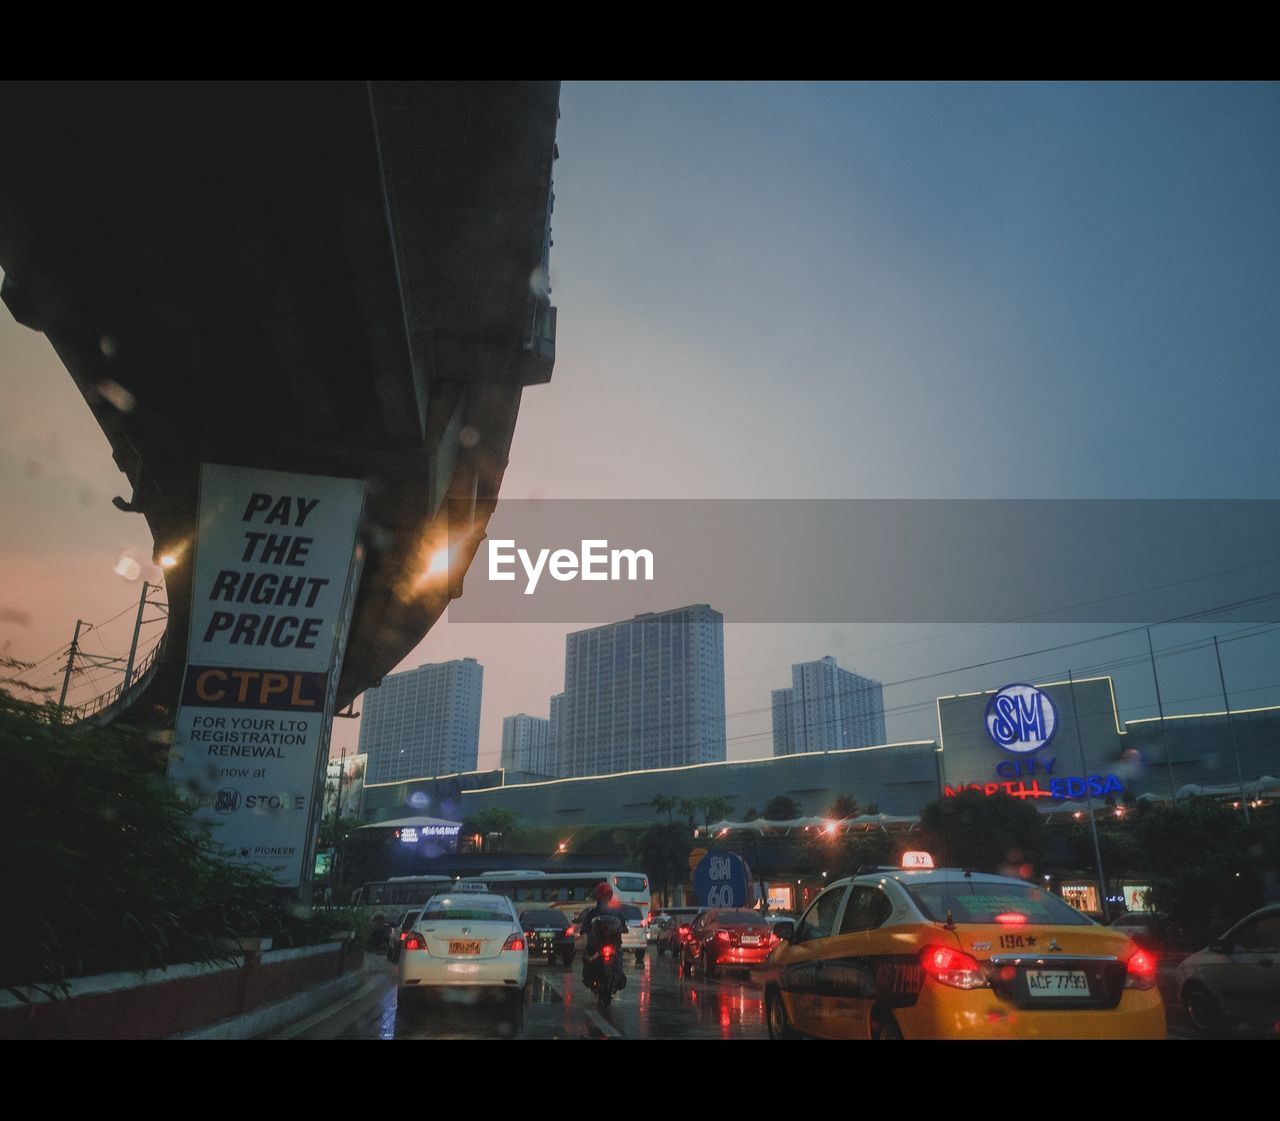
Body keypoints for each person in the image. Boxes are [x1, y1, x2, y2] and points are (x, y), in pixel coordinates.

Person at [579, 881, 628, 986]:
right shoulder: (594, 912)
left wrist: (623, 929)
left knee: (618, 955)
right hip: (597, 945)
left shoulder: (614, 913)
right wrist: (584, 930)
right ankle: (589, 976)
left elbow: (622, 925)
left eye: (606, 896)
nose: (605, 898)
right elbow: (585, 925)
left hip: (611, 944)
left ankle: (616, 978)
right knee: (587, 955)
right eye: (604, 896)